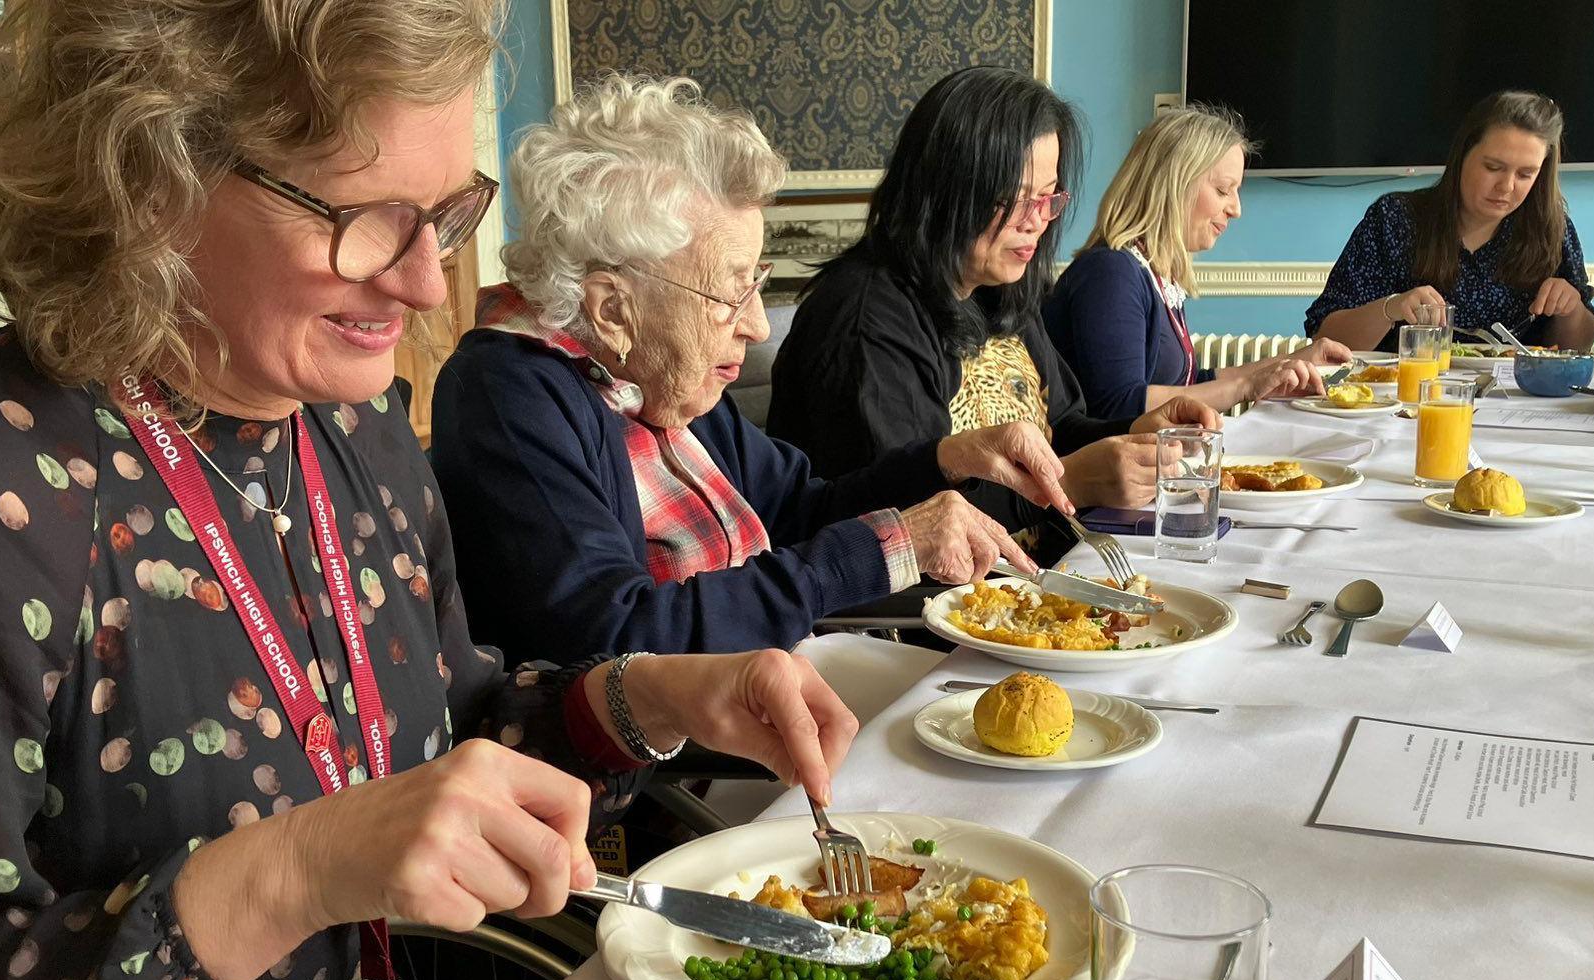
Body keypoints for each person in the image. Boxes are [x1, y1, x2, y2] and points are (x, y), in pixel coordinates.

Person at [0, 4, 859, 980]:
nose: (421, 282)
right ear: (148, 177)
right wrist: (283, 876)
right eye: (368, 219)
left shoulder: (353, 434)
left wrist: (643, 699)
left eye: (447, 213)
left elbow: (448, 762)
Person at [433, 76, 1071, 666]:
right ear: (611, 310)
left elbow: (797, 508)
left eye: (756, 283)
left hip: (782, 693)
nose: (759, 326)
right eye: (730, 294)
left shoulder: (662, 379)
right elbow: (611, 641)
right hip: (686, 772)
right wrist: (889, 546)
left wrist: (945, 460)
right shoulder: (509, 393)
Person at [767, 66, 1222, 541]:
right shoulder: (865, 319)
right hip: (930, 605)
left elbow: (1059, 429)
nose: (1037, 221)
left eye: (1048, 198)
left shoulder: (999, 287)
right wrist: (1072, 483)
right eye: (1015, 199)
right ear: (946, 190)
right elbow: (908, 521)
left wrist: (1136, 432)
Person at [1044, 104, 1343, 423]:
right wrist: (1246, 386)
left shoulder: (1155, 272)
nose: (1236, 209)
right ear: (1174, 183)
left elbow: (1188, 386)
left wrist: (1289, 363)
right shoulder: (1110, 273)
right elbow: (1120, 404)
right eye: (1223, 190)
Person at [1307, 90, 1594, 353]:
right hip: (1401, 399)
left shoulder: (1552, 230)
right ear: (1461, 156)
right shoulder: (1395, 219)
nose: (1507, 186)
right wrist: (1391, 307)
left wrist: (1570, 307)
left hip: (1516, 402)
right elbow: (1325, 339)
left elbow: (1578, 348)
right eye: (1493, 167)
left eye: (1525, 174)